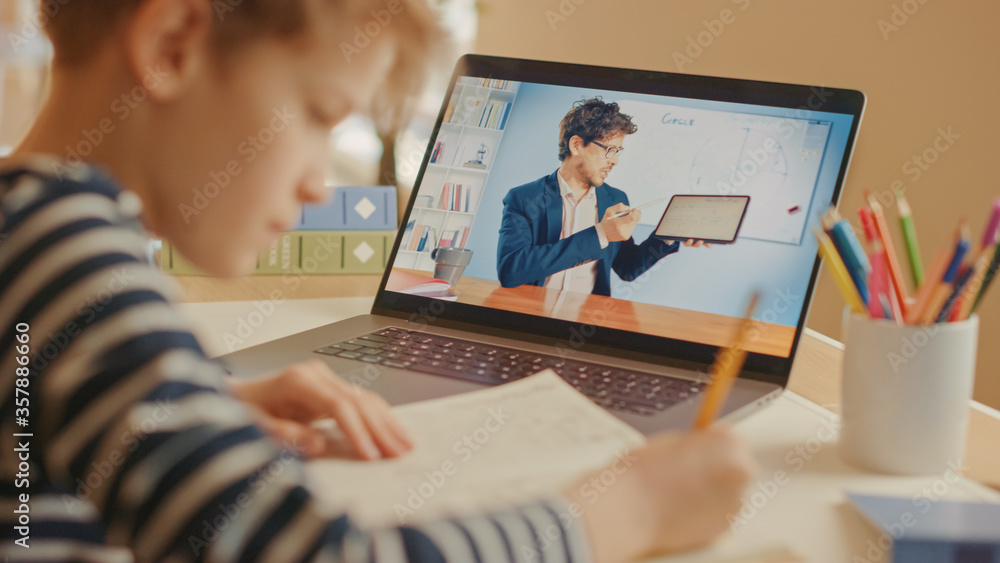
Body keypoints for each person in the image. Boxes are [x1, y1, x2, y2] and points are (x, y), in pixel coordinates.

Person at [0, 0, 756, 561]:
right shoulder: (72, 265)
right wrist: (625, 511)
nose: (315, 183)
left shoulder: (34, 240)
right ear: (170, 46)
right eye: (320, 113)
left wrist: (185, 405)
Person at [497, 98, 709, 297]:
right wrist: (600, 234)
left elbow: (628, 268)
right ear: (577, 145)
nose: (615, 161)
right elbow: (510, 270)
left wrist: (670, 234)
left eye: (618, 152)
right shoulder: (524, 198)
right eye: (610, 150)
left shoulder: (615, 198)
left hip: (583, 326)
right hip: (531, 319)